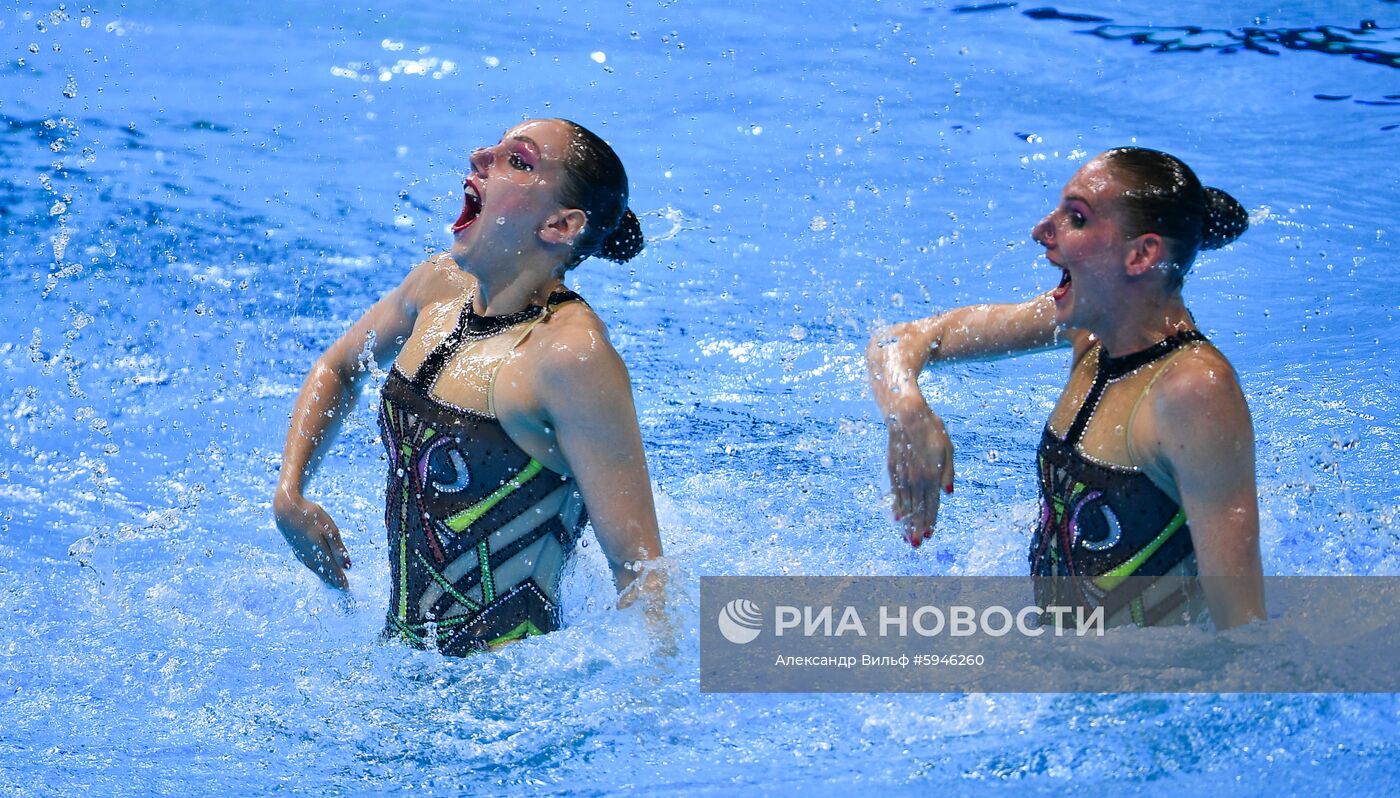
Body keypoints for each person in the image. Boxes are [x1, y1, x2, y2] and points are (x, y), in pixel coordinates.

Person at [273, 119, 665, 655]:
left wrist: (652, 707)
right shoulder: (437, 288)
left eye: (517, 160)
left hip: (512, 691)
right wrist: (291, 494)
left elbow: (641, 571)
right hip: (402, 661)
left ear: (559, 224)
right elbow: (339, 368)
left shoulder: (568, 357)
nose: (481, 156)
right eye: (494, 147)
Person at [867, 147, 1264, 629]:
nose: (1041, 232)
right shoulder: (1090, 331)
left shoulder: (1192, 392)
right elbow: (898, 340)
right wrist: (907, 412)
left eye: (1075, 218)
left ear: (1141, 254)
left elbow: (1245, 633)